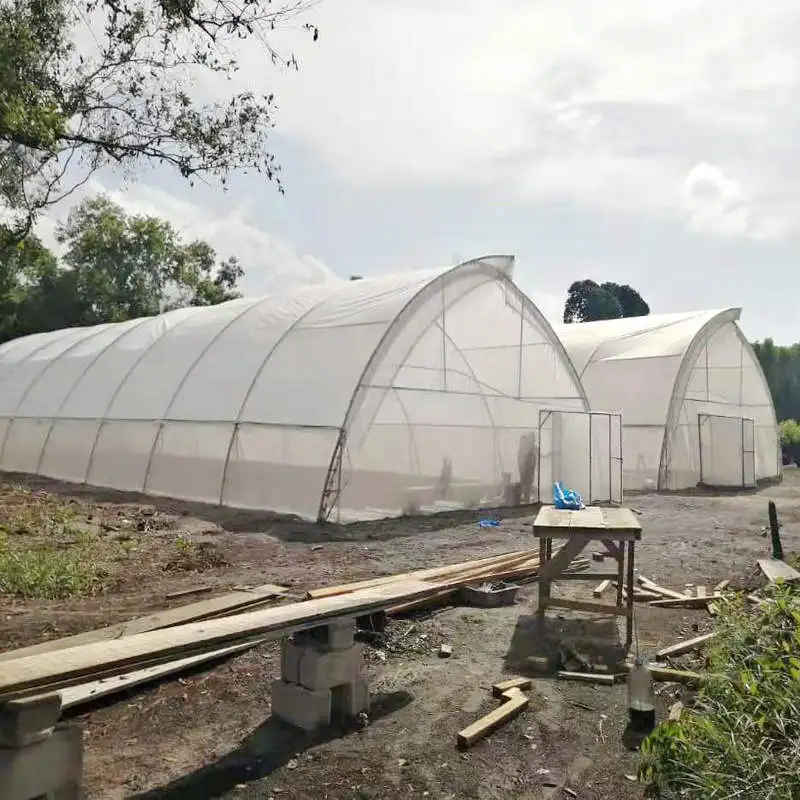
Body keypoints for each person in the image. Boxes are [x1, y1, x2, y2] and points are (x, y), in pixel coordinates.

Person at [517, 431, 538, 504]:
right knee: (524, 484)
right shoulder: (523, 448)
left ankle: (527, 499)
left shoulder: (533, 448)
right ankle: (525, 498)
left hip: (529, 470)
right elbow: (521, 460)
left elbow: (534, 459)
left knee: (528, 485)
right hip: (524, 470)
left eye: (533, 438)